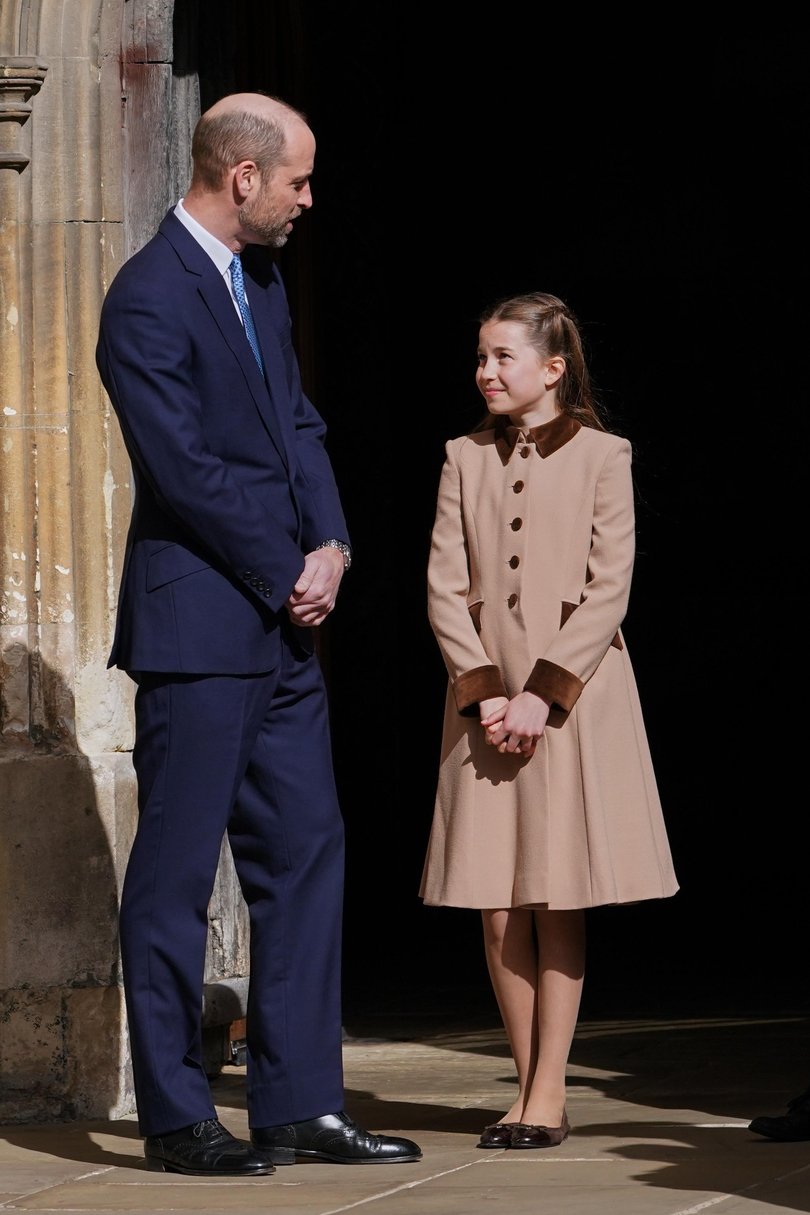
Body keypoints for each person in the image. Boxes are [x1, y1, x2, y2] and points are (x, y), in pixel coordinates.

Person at [96, 91, 421, 1177]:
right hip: (199, 630)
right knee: (176, 874)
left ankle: (299, 1104)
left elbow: (298, 425)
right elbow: (183, 468)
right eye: (298, 179)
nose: (308, 199)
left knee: (307, 854)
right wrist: (285, 569)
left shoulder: (264, 285)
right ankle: (177, 1117)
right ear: (243, 176)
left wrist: (330, 543)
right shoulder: (147, 295)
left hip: (284, 629)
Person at [419, 291, 679, 1150]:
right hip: (484, 704)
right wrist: (486, 690)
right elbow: (444, 584)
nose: (485, 371)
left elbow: (610, 586)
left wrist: (541, 694)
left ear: (553, 367)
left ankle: (549, 1088)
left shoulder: (605, 454)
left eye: (503, 356)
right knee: (495, 900)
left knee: (555, 890)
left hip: (571, 701)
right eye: (481, 356)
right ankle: (528, 1085)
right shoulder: (462, 457)